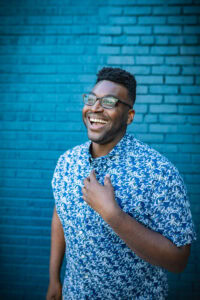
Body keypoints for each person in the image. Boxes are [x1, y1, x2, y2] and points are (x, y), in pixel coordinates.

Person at [46, 67, 196, 300]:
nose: (95, 107)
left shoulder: (158, 172)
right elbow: (60, 214)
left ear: (129, 116)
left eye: (109, 102)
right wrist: (54, 278)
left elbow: (179, 260)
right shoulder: (67, 162)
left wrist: (113, 215)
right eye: (92, 99)